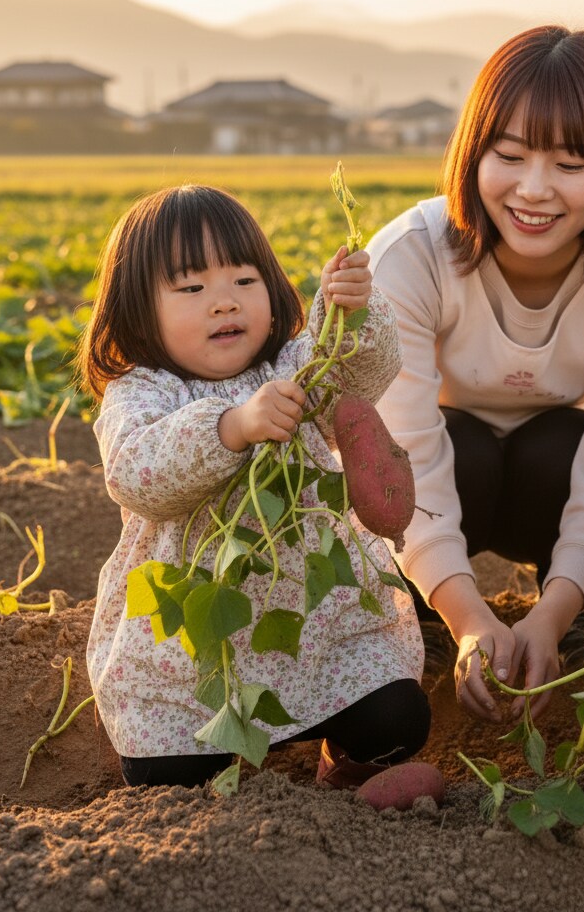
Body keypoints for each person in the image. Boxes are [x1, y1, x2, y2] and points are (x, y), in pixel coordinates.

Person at [366, 26, 584, 722]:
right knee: (458, 449)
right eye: (508, 155)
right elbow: (403, 448)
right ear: (473, 153)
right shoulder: (409, 260)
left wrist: (555, 606)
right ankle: (415, 608)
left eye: (571, 164)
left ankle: (574, 620)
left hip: (554, 481)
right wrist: (466, 613)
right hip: (444, 476)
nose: (533, 190)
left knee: (563, 445)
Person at [77, 184, 429, 788]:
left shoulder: (290, 368)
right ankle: (215, 747)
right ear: (138, 310)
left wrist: (351, 312)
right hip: (194, 658)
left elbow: (354, 379)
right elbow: (136, 473)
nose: (224, 304)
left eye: (243, 281)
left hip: (320, 631)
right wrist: (231, 427)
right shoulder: (142, 392)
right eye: (191, 289)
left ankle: (346, 766)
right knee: (164, 771)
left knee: (398, 718)